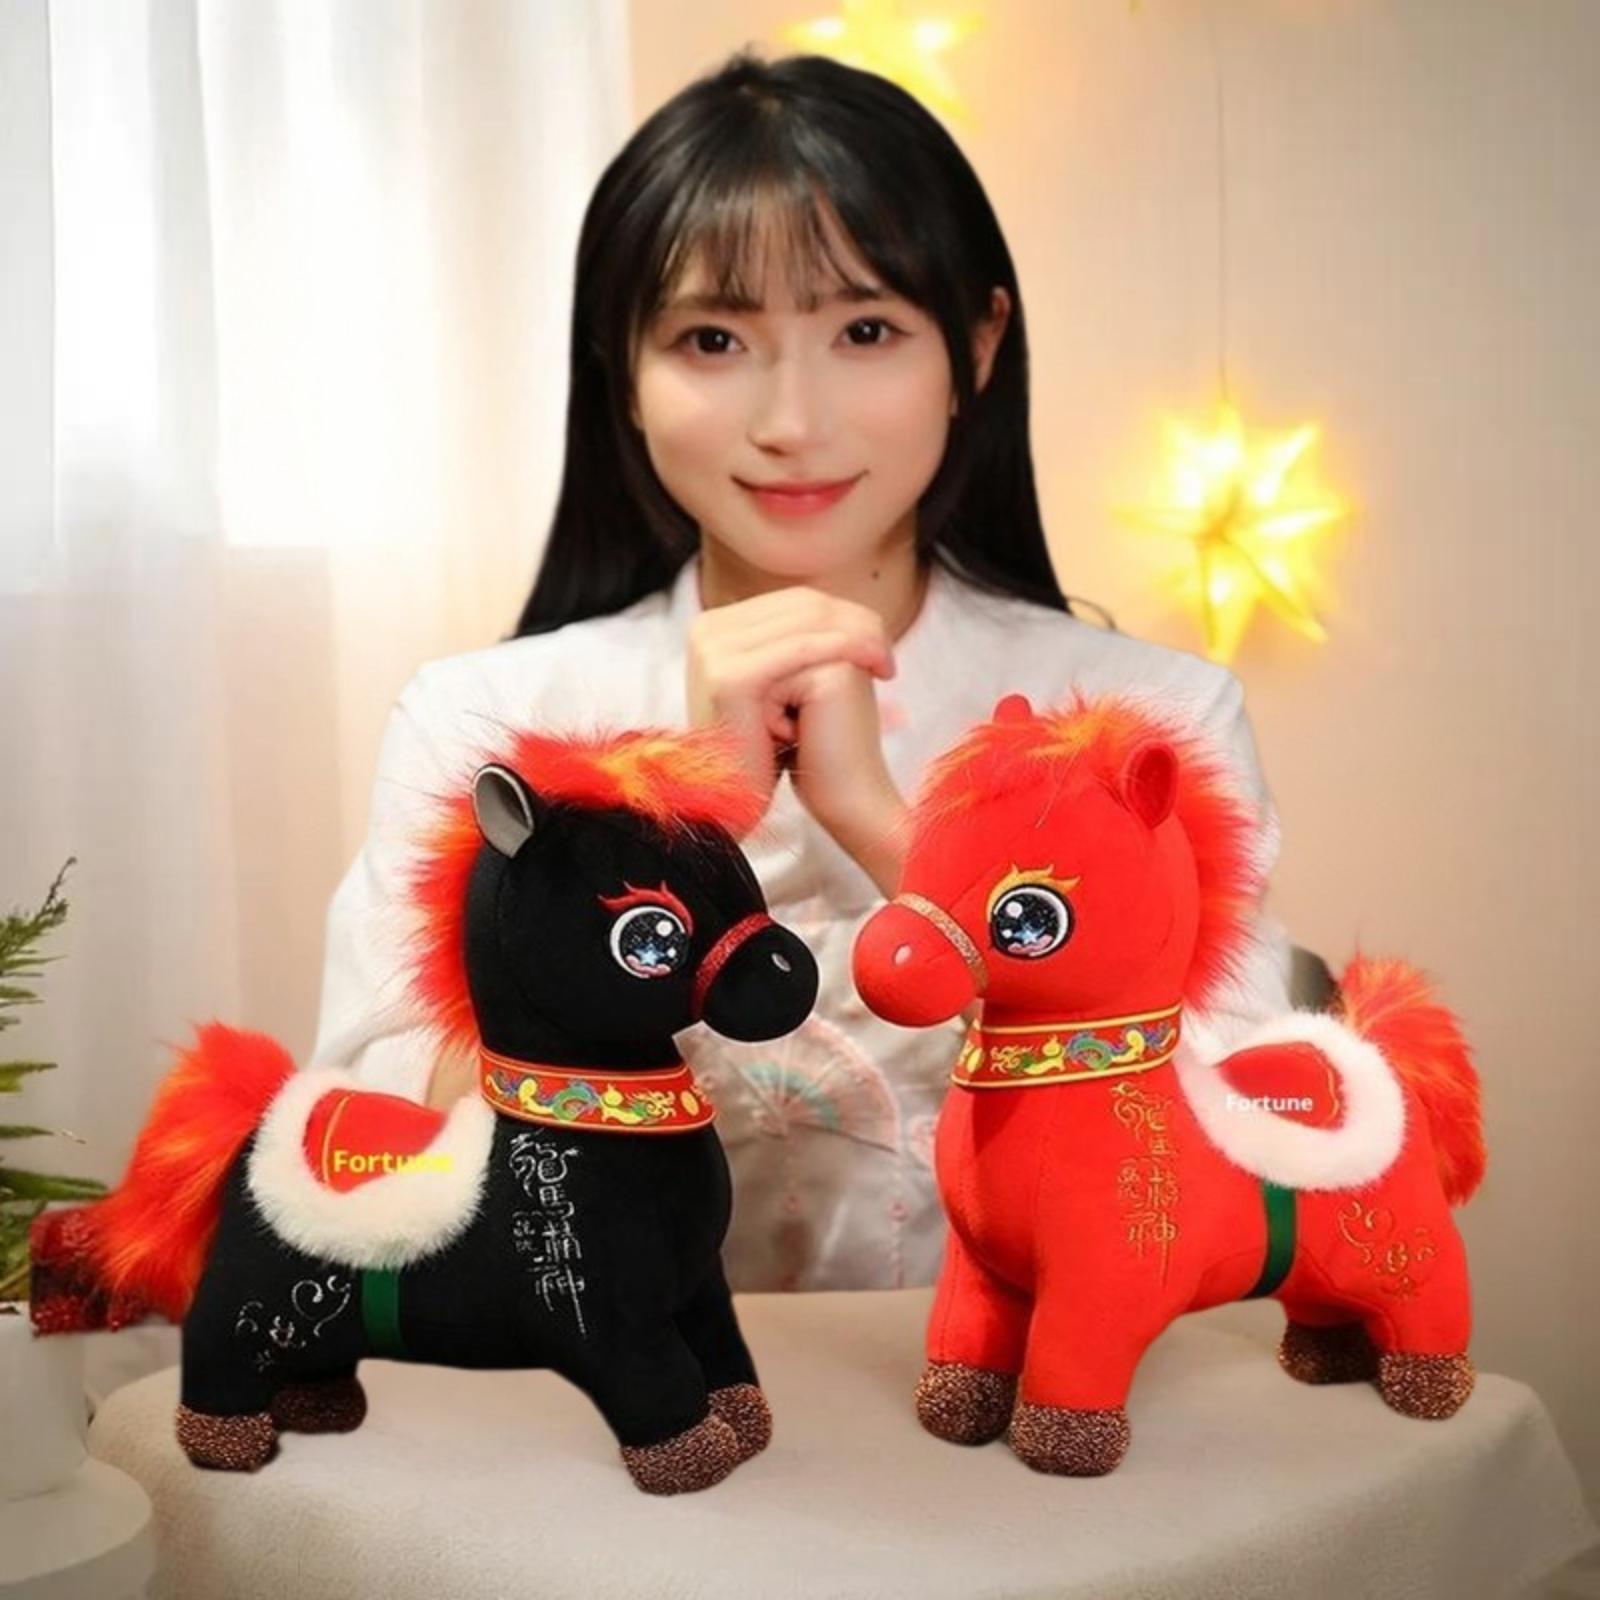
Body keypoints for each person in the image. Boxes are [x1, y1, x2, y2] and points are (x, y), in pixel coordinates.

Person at [308, 49, 1294, 1294]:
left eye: (865, 330)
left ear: (976, 345)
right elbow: (374, 1159)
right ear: (620, 367)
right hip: (597, 1393)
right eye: (713, 338)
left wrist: (890, 831)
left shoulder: (1148, 725)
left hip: (1027, 1386)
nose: (792, 422)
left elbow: (1230, 1165)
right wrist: (678, 834)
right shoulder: (485, 722)